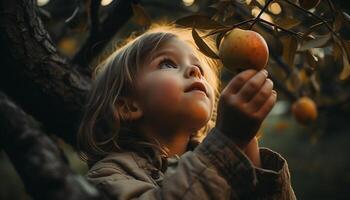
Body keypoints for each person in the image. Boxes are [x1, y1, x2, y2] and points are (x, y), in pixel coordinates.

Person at [77, 24, 296, 199]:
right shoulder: (108, 176)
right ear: (128, 106)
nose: (194, 70)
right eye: (168, 64)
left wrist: (244, 144)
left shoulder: (222, 162)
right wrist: (228, 141)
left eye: (199, 69)